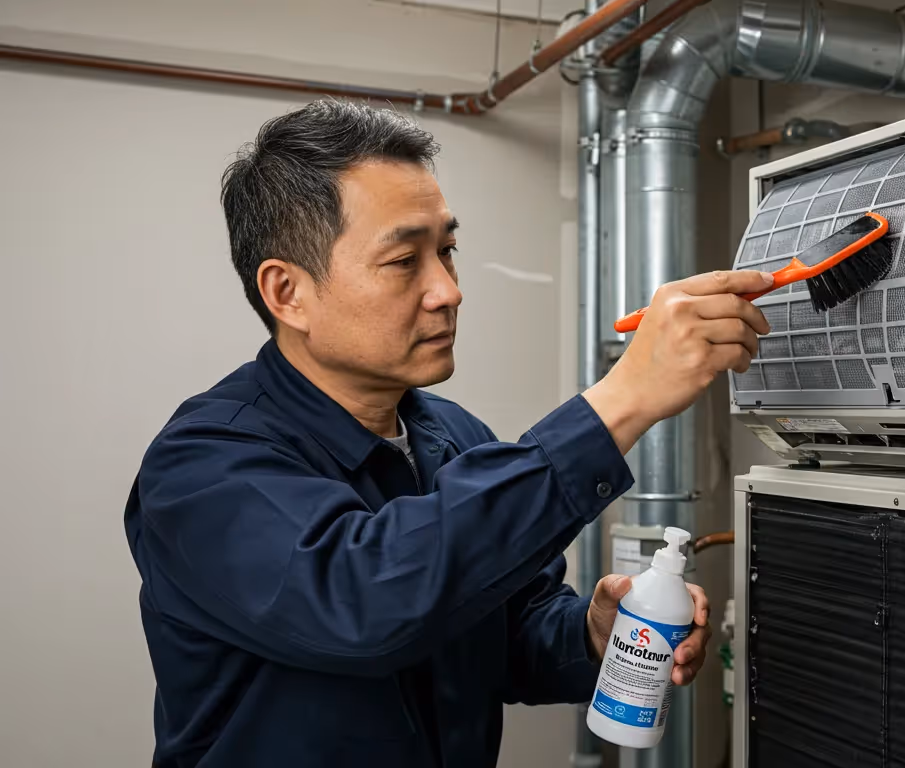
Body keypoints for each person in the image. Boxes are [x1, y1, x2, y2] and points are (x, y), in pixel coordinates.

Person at [123, 100, 773, 768]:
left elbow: (507, 627)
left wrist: (588, 635)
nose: (448, 290)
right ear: (287, 292)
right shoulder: (203, 466)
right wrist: (622, 398)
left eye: (448, 251)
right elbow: (368, 600)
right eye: (405, 260)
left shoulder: (456, 436)